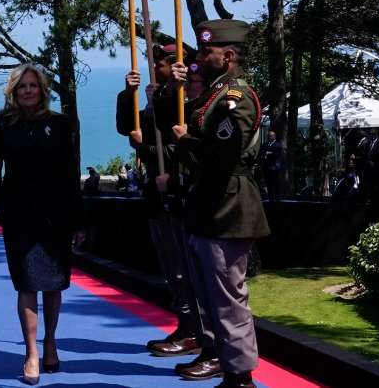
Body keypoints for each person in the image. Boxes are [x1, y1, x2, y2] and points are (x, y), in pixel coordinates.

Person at [170, 20, 270, 388]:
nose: (199, 57)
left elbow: (221, 157)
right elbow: (187, 118)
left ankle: (240, 374)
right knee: (210, 295)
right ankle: (224, 362)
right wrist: (173, 88)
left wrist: (184, 144)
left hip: (227, 205)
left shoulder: (236, 98)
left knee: (228, 297)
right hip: (208, 205)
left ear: (228, 56)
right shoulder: (215, 94)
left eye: (206, 52)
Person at [116, 43, 211, 363]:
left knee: (186, 270)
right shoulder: (162, 97)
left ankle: (197, 332)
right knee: (173, 270)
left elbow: (170, 139)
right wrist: (128, 94)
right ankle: (187, 327)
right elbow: (130, 127)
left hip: (180, 192)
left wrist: (173, 89)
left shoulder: (184, 100)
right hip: (157, 195)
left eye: (161, 63)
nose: (154, 68)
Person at [0, 64, 85, 385]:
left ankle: (51, 340)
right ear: (14, 92)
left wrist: (78, 219)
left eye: (33, 86)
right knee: (27, 284)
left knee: (53, 284)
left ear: (42, 90)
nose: (28, 91)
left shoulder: (59, 124)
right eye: (22, 87)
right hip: (19, 215)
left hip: (56, 216)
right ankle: (31, 352)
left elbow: (71, 173)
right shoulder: (2, 124)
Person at [258, 130, 284, 202]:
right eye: (269, 136)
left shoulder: (278, 144)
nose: (269, 137)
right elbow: (261, 152)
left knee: (275, 183)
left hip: (274, 167)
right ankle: (270, 198)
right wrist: (266, 153)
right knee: (268, 183)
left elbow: (277, 154)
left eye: (271, 136)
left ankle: (277, 198)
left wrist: (268, 153)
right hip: (266, 167)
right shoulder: (265, 144)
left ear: (274, 136)